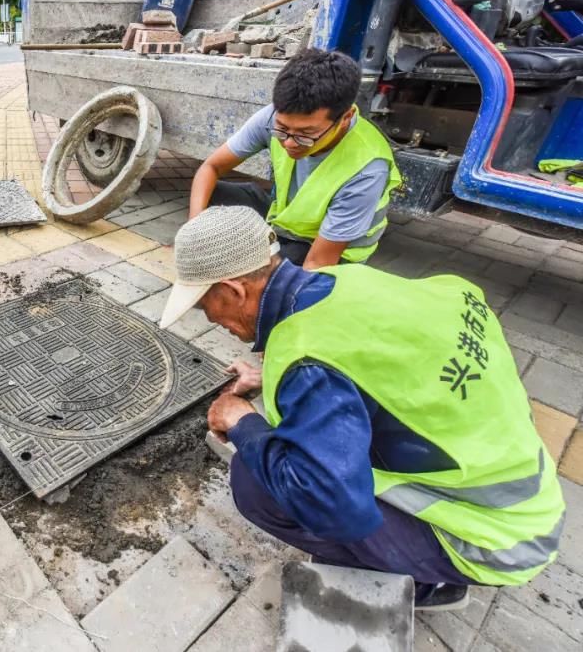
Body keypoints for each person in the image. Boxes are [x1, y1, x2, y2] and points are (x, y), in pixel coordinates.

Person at [160, 206, 565, 609]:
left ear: (234, 290)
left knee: (255, 481)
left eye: (206, 306)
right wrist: (270, 379)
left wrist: (242, 420)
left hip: (492, 540)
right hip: (528, 499)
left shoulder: (306, 359)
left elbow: (332, 507)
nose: (212, 318)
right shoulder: (347, 280)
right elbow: (384, 360)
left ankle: (424, 582)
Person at [188, 49, 401, 269]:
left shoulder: (367, 168)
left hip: (326, 248)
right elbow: (211, 167)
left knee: (253, 281)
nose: (289, 142)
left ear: (345, 118)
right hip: (284, 222)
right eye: (282, 129)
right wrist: (194, 232)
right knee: (210, 193)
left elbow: (318, 262)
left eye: (306, 134)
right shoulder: (274, 116)